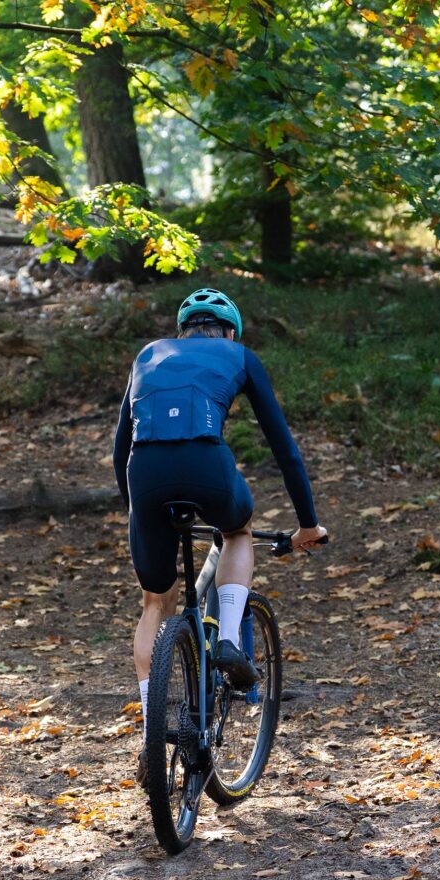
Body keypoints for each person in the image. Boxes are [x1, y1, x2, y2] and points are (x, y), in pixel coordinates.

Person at [113, 288, 326, 717]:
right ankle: (228, 639)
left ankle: (152, 733)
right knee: (237, 530)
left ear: (183, 330)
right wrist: (307, 524)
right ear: (229, 331)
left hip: (145, 475)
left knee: (155, 602)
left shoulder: (148, 354)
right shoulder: (240, 355)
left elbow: (121, 449)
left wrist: (137, 512)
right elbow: (285, 449)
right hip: (207, 467)